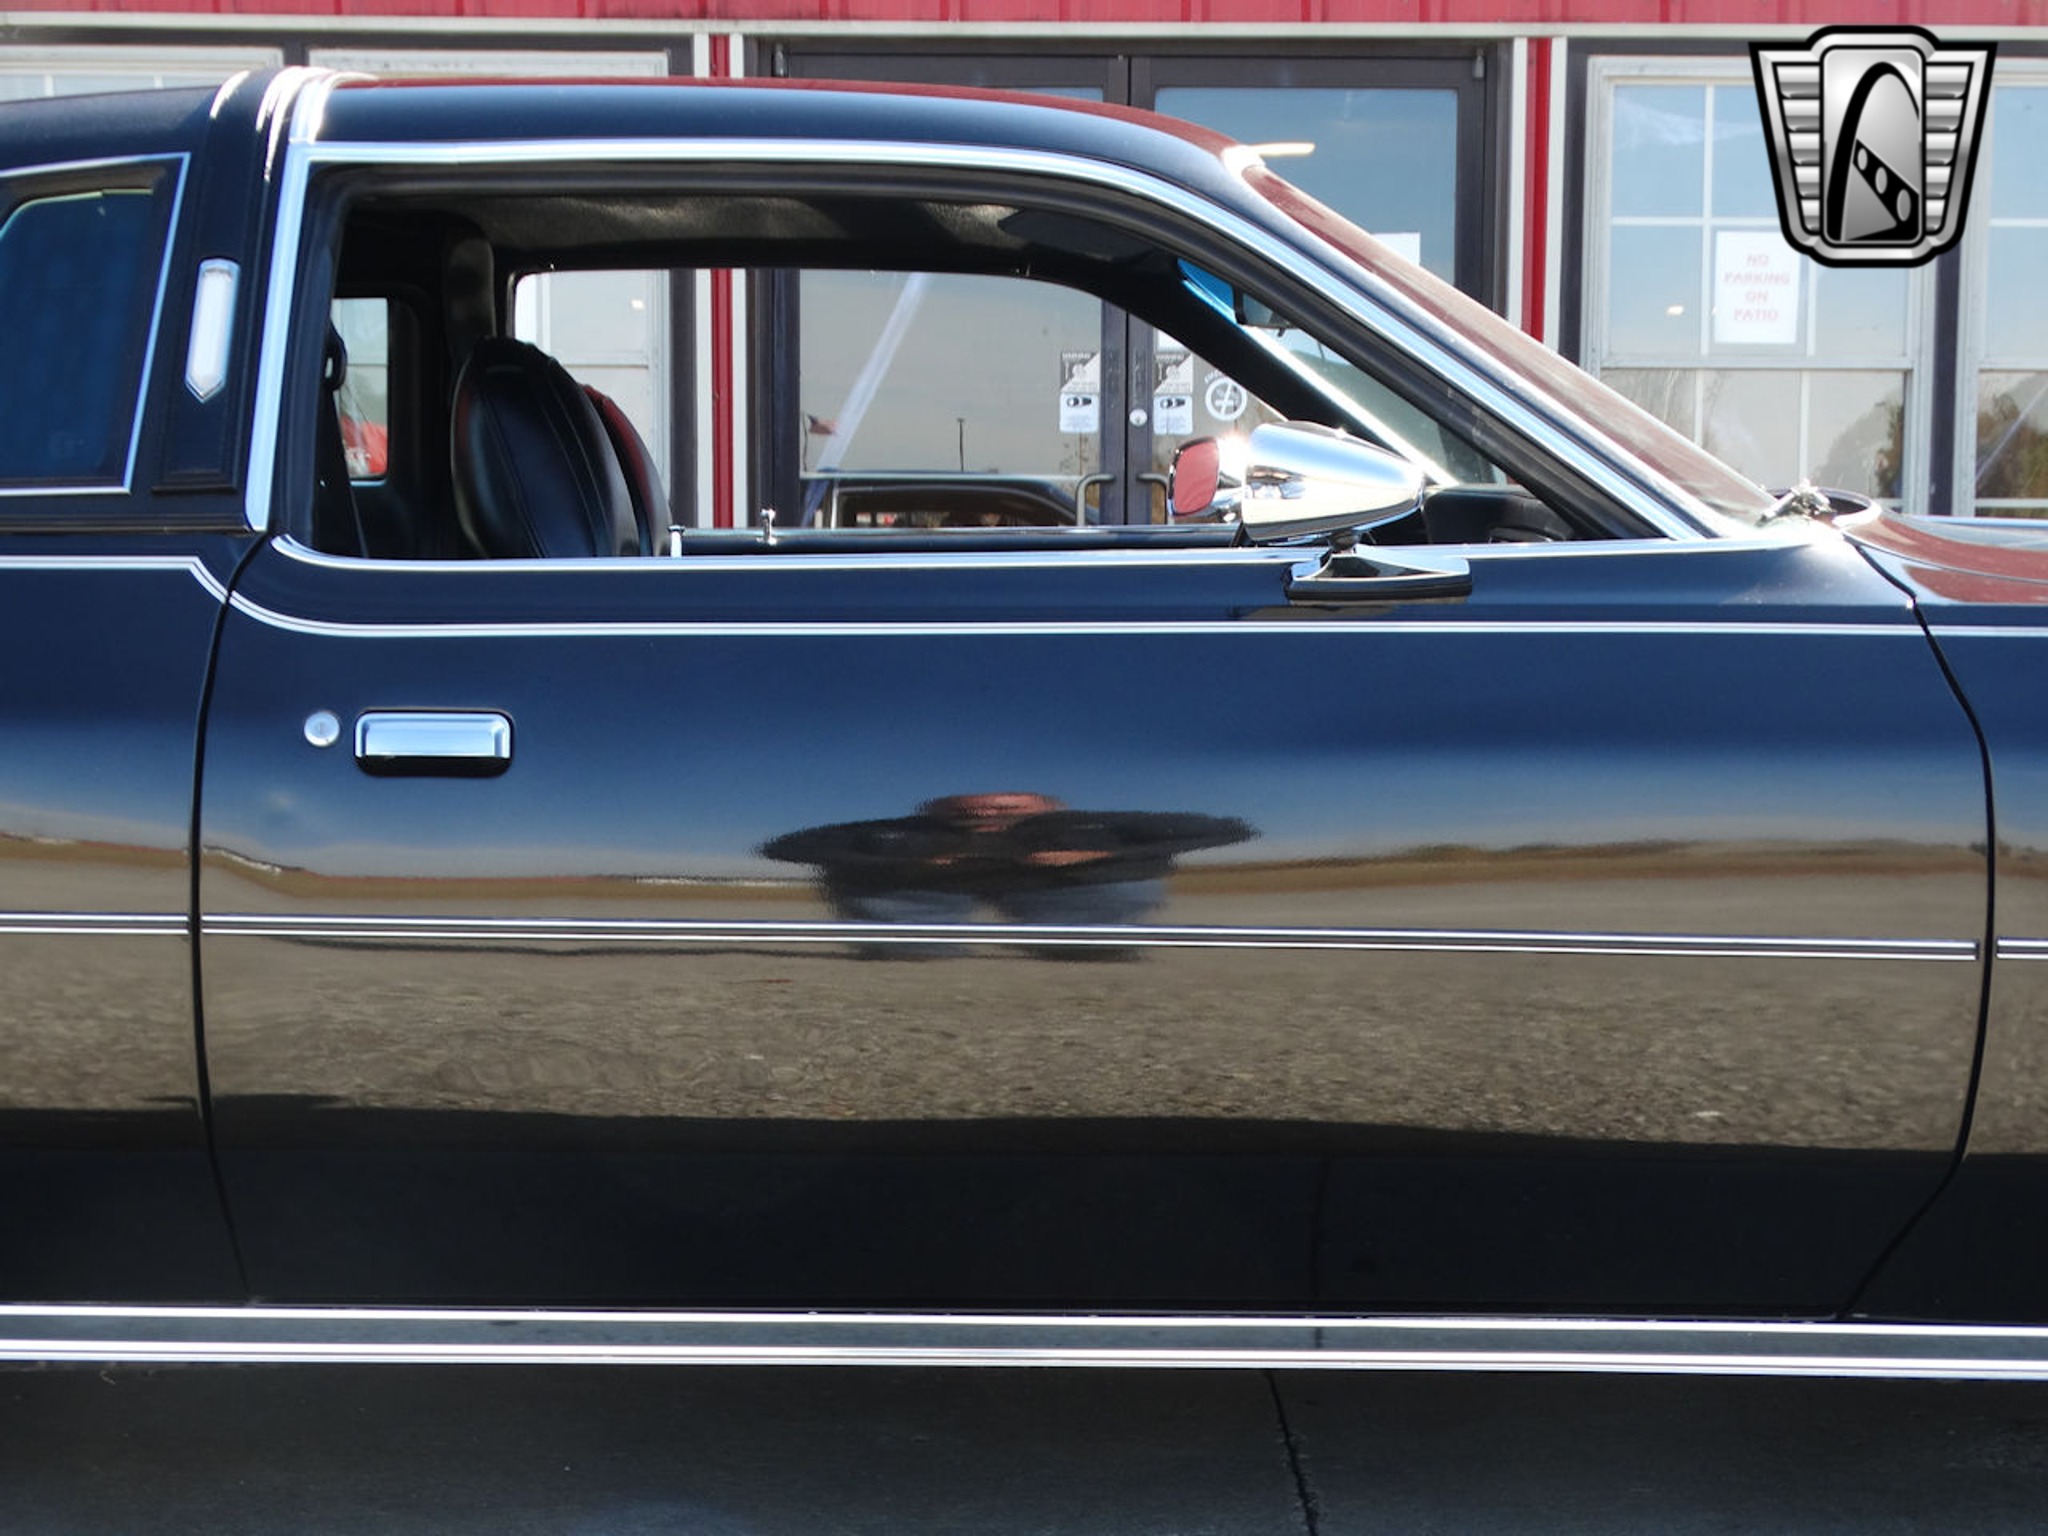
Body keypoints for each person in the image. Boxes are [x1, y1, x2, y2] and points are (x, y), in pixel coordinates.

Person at [760, 792, 1253, 953]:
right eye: (967, 808)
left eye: (1007, 806)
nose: (987, 813)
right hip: (921, 904)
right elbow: (785, 844)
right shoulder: (893, 829)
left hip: (1071, 900)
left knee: (1090, 943)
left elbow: (1228, 828)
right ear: (934, 808)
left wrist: (1096, 855)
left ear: (1047, 805)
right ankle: (915, 944)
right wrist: (903, 863)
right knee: (912, 950)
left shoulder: (1096, 823)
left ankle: (1086, 943)